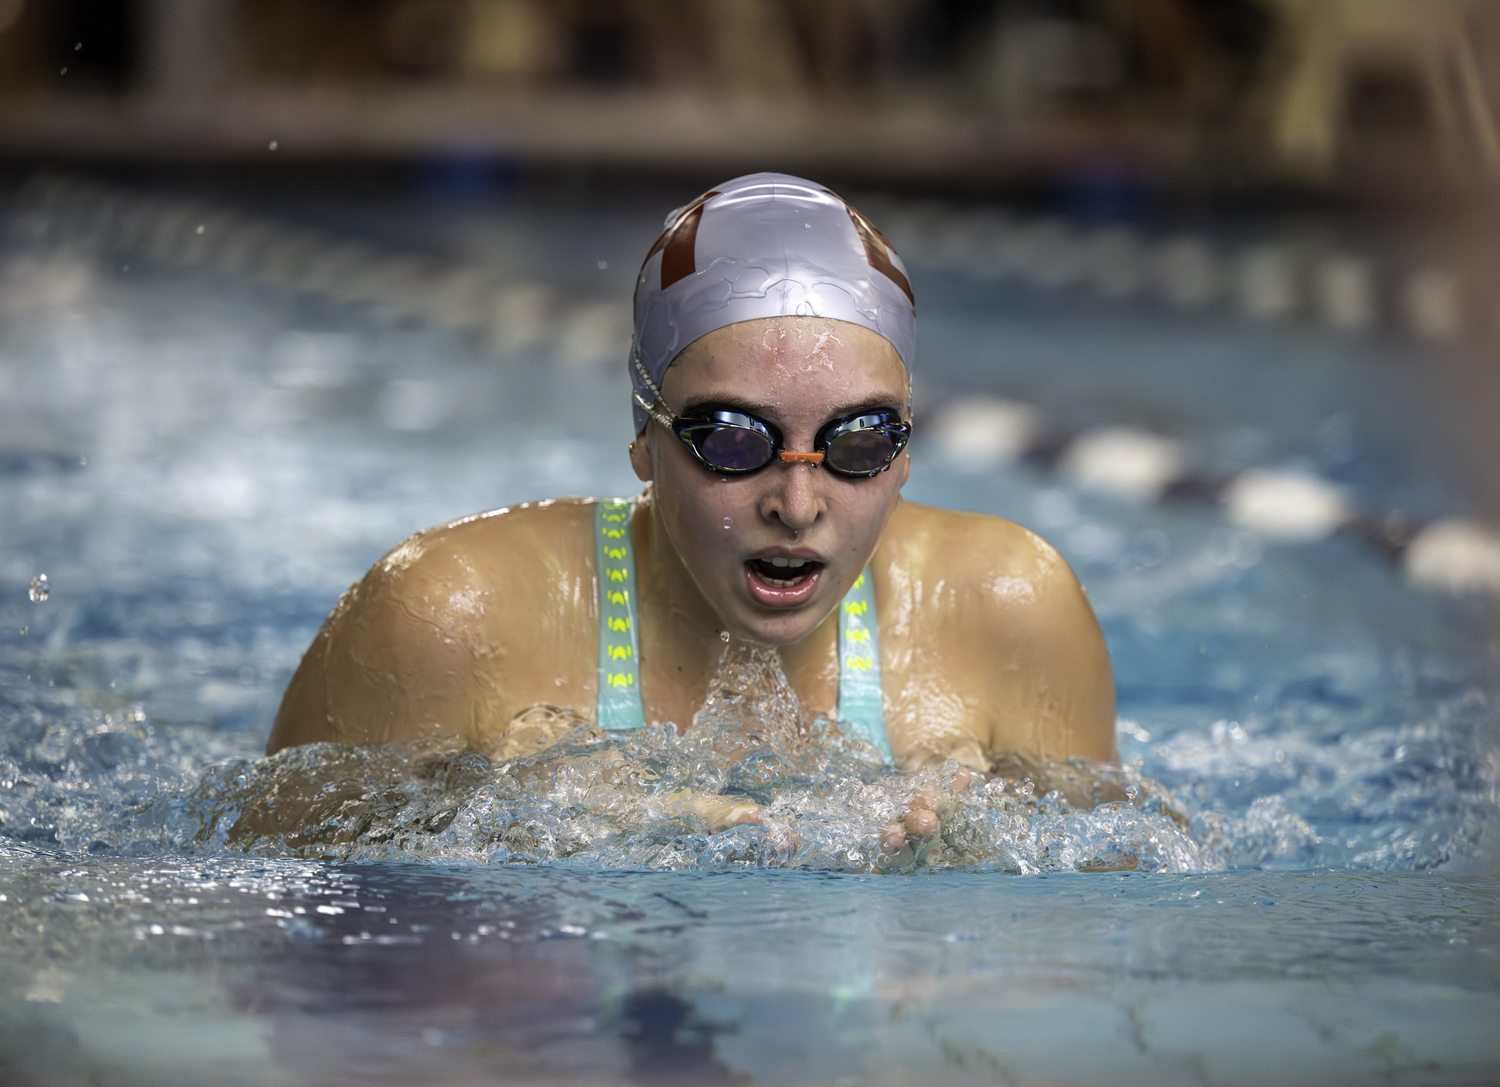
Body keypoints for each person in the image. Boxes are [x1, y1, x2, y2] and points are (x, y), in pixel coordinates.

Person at [267, 172, 1116, 849]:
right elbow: (261, 888)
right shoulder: (449, 617)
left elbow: (1117, 907)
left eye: (858, 440)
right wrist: (498, 813)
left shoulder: (1011, 608)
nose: (796, 503)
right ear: (644, 437)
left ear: (905, 445)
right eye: (735, 438)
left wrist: (975, 852)